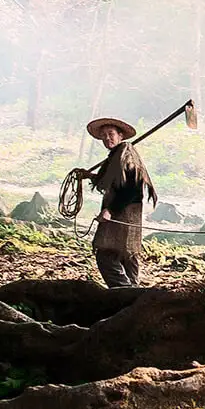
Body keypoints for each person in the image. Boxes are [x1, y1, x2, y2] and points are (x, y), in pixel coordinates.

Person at [78, 116, 157, 288]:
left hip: (125, 213)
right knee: (127, 256)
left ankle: (124, 293)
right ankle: (133, 296)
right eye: (104, 135)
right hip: (123, 213)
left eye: (111, 134)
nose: (107, 138)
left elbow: (131, 189)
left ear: (121, 135)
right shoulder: (114, 157)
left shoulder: (127, 155)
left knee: (107, 255)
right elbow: (111, 179)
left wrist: (110, 210)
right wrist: (89, 176)